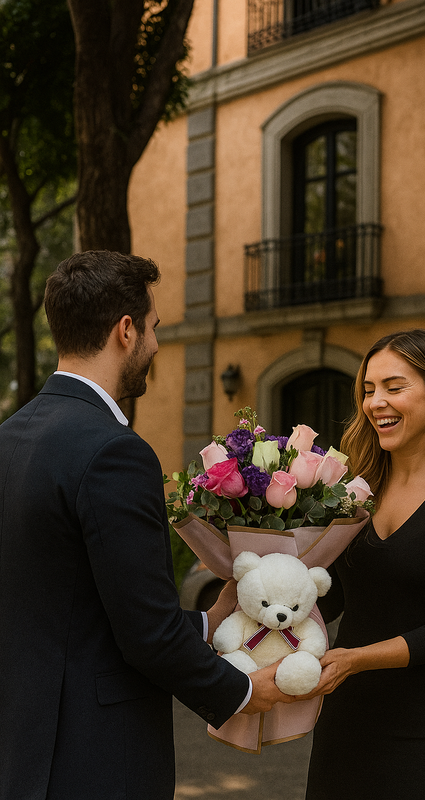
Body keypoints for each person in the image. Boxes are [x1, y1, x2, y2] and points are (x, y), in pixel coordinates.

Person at [0, 250, 291, 800]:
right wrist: (244, 692)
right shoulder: (114, 451)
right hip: (95, 756)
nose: (157, 344)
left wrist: (209, 622)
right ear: (126, 330)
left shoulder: (9, 438)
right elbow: (146, 637)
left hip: (23, 746)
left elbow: (78, 607)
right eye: (155, 327)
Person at [304, 328, 425, 800]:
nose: (376, 402)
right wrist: (266, 588)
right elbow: (333, 597)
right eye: (369, 390)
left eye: (395, 387)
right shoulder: (356, 488)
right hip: (346, 719)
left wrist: (354, 660)